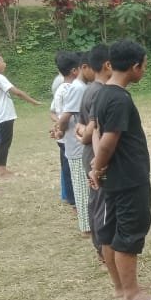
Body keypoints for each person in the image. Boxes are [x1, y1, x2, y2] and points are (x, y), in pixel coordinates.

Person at [88, 40, 151, 300]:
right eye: (144, 66)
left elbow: (96, 134)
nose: (144, 70)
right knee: (129, 232)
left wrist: (98, 165)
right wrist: (97, 166)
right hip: (129, 178)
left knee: (110, 231)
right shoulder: (118, 98)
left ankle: (121, 287)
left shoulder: (103, 93)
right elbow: (108, 140)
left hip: (114, 176)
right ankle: (131, 294)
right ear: (134, 66)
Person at [0, 52, 41, 177]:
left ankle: (1, 168)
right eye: (2, 61)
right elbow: (17, 92)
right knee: (4, 143)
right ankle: (1, 171)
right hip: (4, 116)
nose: (5, 64)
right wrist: (33, 101)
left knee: (2, 142)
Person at [77, 44, 110, 258]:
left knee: (95, 198)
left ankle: (100, 245)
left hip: (90, 152)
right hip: (95, 153)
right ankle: (102, 247)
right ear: (108, 65)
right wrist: (85, 137)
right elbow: (91, 128)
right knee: (101, 200)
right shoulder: (99, 92)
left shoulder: (89, 89)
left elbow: (79, 126)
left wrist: (82, 135)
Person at [57, 52, 91, 236]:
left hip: (79, 143)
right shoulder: (77, 88)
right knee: (81, 186)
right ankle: (86, 227)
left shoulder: (79, 86)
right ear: (80, 68)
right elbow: (66, 115)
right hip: (76, 145)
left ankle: (88, 223)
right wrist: (61, 130)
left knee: (84, 184)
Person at [50, 52, 77, 209]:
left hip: (65, 135)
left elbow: (55, 112)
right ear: (74, 70)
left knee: (67, 167)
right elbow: (65, 115)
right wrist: (60, 128)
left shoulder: (62, 87)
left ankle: (70, 197)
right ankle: (73, 199)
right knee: (69, 168)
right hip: (68, 136)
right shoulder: (69, 89)